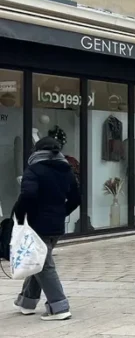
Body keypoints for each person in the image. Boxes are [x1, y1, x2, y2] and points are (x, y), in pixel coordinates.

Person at [12, 137, 80, 321]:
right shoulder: (66, 169)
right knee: (39, 259)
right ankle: (27, 301)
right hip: (56, 224)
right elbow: (75, 198)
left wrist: (19, 216)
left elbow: (28, 194)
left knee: (44, 265)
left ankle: (59, 306)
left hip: (37, 223)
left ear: (37, 151)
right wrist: (61, 213)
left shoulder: (34, 169)